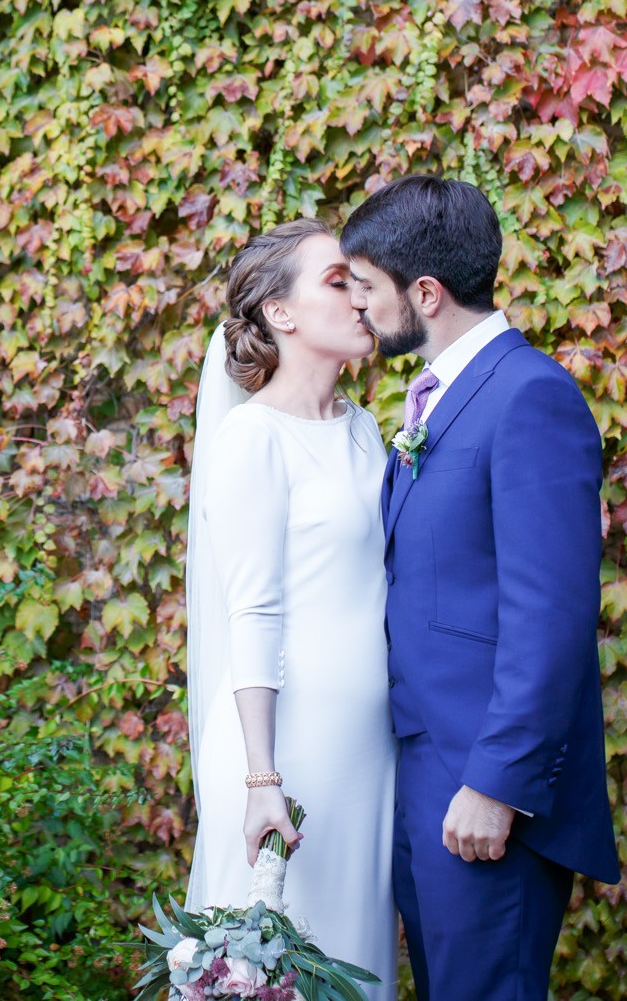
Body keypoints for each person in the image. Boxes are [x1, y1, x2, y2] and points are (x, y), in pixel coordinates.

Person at [341, 174, 620, 1001]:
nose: (359, 308)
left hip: (483, 788)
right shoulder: (434, 399)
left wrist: (496, 783)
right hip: (427, 771)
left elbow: (553, 615)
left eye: (366, 288)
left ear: (424, 293)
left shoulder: (531, 395)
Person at [185, 216, 396, 989]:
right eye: (338, 282)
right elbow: (254, 611)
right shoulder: (253, 439)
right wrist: (261, 778)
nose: (362, 297)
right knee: (284, 963)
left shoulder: (368, 430)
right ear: (281, 312)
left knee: (355, 954)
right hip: (285, 752)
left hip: (366, 750)